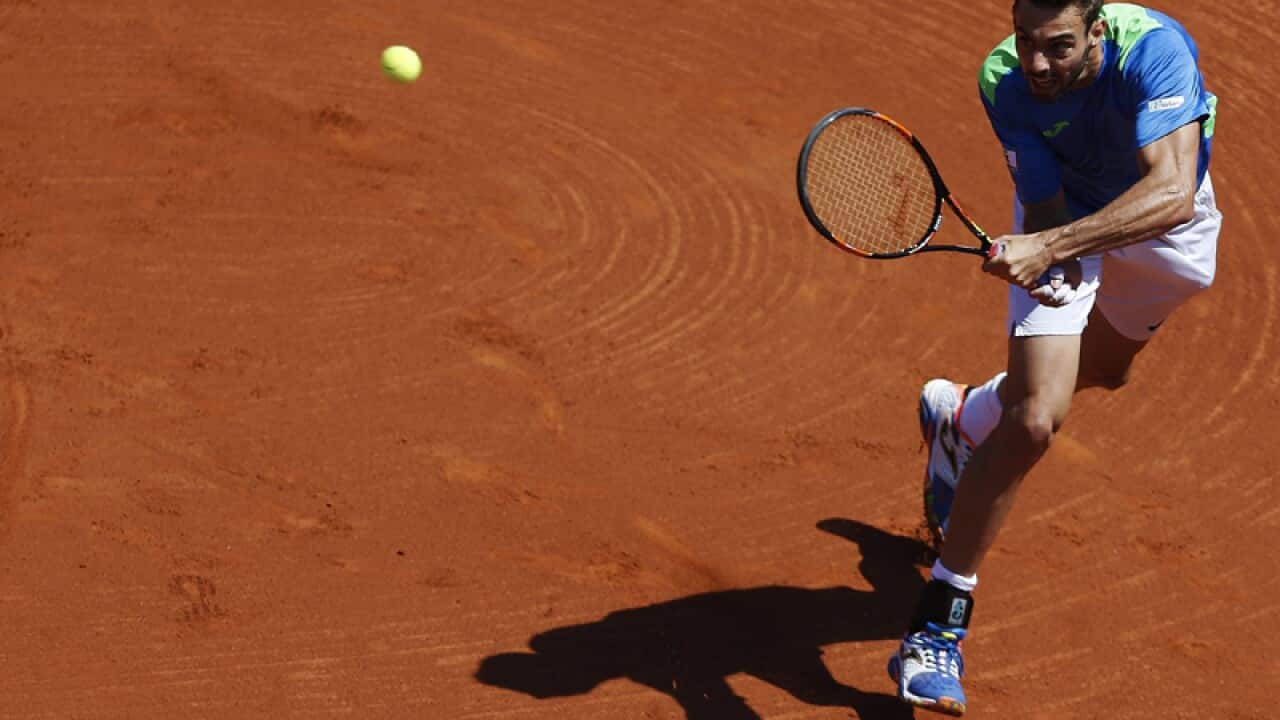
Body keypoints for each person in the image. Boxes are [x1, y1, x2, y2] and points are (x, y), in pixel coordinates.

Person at [888, 0, 1221, 715]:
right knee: (1038, 418)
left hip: (1159, 229)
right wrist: (1044, 245)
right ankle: (934, 632)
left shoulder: (1154, 51)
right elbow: (1044, 208)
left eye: (1060, 47)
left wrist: (1054, 248)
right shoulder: (1005, 79)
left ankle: (961, 418)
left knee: (1106, 372)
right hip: (1069, 221)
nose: (1038, 64)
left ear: (1098, 31)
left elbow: (1172, 194)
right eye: (1026, 42)